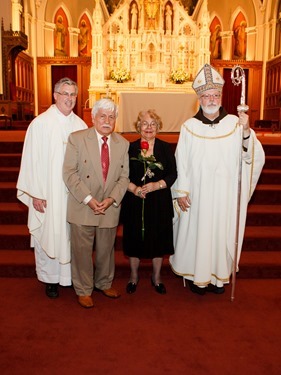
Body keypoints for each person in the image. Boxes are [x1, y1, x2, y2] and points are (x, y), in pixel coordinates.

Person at [170, 64, 265, 295]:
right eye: (206, 95)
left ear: (221, 97)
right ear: (199, 99)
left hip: (226, 193)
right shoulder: (189, 127)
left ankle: (218, 278)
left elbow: (251, 155)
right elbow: (180, 161)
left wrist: (246, 132)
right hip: (197, 195)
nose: (211, 99)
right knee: (198, 233)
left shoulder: (235, 123)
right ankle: (197, 277)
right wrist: (181, 192)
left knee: (221, 232)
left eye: (215, 95)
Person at [17, 77, 88, 299]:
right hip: (47, 193)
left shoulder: (81, 126)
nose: (69, 99)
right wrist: (36, 194)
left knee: (69, 235)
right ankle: (50, 280)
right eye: (65, 94)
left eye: (73, 95)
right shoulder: (40, 124)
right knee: (49, 232)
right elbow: (31, 160)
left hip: (72, 195)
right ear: (55, 96)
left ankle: (68, 278)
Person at [63, 99, 129, 308]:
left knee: (106, 250)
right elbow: (69, 173)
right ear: (93, 118)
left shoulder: (123, 143)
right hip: (83, 205)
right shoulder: (77, 139)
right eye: (103, 116)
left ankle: (103, 282)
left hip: (108, 206)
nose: (107, 121)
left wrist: (111, 199)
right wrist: (89, 199)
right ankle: (83, 289)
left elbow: (124, 178)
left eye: (111, 117)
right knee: (82, 250)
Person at [121, 110, 177, 295]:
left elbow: (172, 174)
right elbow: (121, 175)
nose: (149, 127)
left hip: (159, 201)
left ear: (158, 127)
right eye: (145, 123)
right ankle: (134, 277)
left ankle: (157, 277)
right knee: (135, 239)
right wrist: (134, 189)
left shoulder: (166, 148)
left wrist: (156, 185)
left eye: (153, 124)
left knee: (157, 241)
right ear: (138, 127)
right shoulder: (129, 148)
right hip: (135, 201)